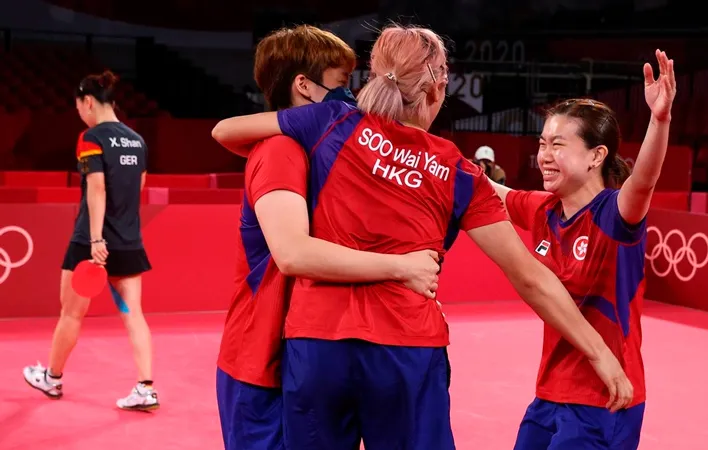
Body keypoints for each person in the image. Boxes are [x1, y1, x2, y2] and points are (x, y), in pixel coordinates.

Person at [212, 24, 633, 449]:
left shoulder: (327, 121)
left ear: (375, 77)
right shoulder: (456, 171)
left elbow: (226, 131)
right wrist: (599, 353)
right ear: (438, 89)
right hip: (406, 352)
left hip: (316, 347)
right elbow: (529, 276)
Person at [213, 25, 441, 450]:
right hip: (261, 363)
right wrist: (403, 268)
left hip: (304, 355)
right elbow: (293, 254)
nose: (352, 98)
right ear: (304, 86)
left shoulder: (327, 150)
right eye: (340, 85)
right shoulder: (280, 150)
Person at [488, 50, 676, 449]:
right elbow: (493, 192)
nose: (544, 156)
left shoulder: (614, 215)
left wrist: (659, 121)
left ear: (596, 155)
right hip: (548, 395)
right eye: (542, 144)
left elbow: (643, 181)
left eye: (558, 145)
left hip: (606, 399)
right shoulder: (543, 209)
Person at [23, 70, 158, 411]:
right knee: (134, 315)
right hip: (128, 243)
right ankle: (145, 387)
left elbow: (97, 187)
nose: (80, 114)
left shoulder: (91, 138)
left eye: (79, 107)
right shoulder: (137, 141)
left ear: (87, 102)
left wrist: (97, 238)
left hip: (90, 243)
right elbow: (137, 189)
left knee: (71, 314)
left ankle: (52, 379)